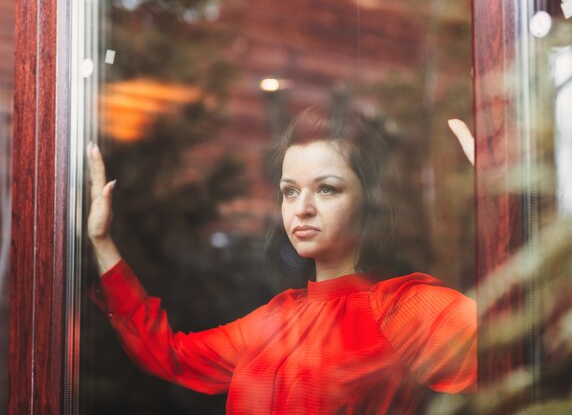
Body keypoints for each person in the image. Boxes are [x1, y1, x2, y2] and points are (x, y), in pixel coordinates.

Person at [87, 107, 477, 415]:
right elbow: (169, 355)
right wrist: (101, 241)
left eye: (326, 189)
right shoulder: (275, 320)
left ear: (369, 203)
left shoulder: (406, 308)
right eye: (290, 192)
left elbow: (517, 335)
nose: (302, 209)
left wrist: (507, 195)